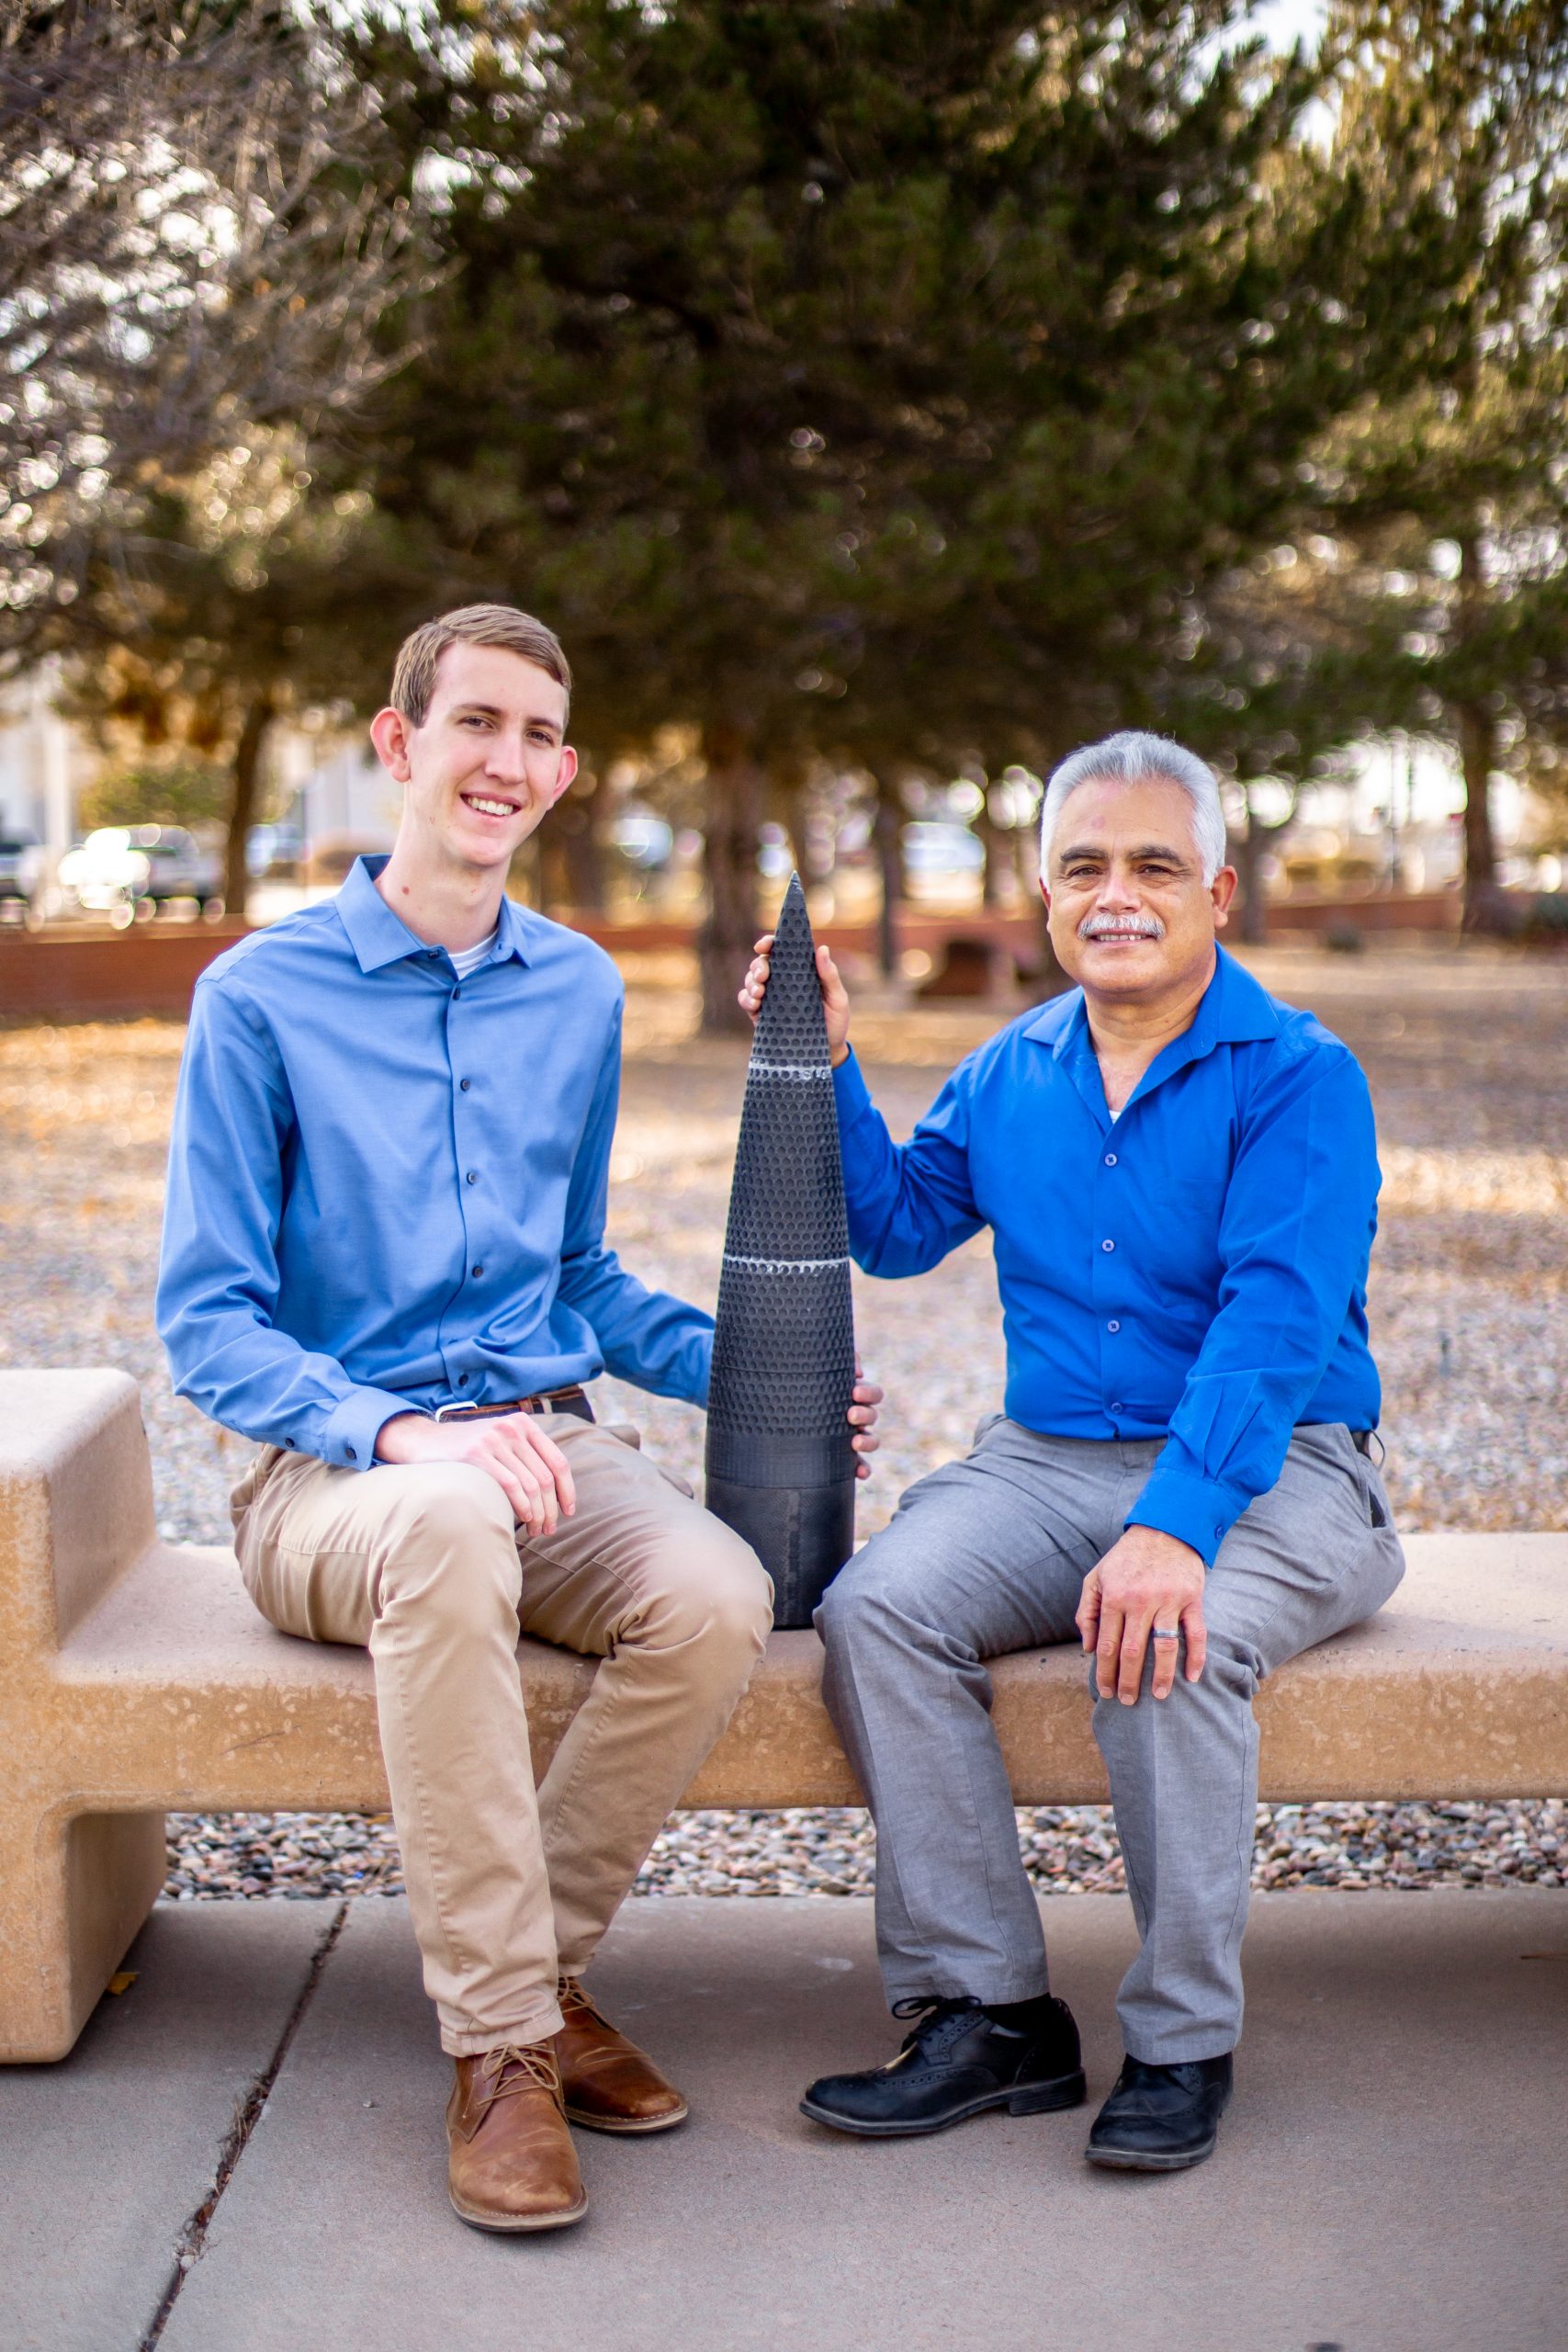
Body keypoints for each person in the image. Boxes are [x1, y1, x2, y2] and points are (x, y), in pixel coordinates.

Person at [157, 604, 881, 2233]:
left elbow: (583, 1277)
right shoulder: (257, 998)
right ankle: (500, 2053)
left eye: (540, 737)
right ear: (398, 742)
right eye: (478, 724)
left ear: (564, 774)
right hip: (338, 1479)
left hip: (547, 1444)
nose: (511, 763)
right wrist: (406, 1437)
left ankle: (533, 1986)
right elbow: (205, 1322)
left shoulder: (576, 992)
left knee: (711, 1597)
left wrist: (757, 1367)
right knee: (448, 1520)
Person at [739, 729, 1404, 2174]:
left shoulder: (1301, 1076)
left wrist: (1173, 1527)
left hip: (1278, 1462)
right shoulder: (1011, 1068)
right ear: (1045, 895)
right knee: (879, 1610)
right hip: (1046, 1460)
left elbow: (1276, 1324)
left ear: (1219, 893)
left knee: (1167, 1638)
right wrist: (836, 1061)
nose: (1119, 893)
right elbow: (897, 1226)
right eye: (1084, 866)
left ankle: (1182, 2040)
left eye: (1155, 864)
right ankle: (991, 2016)